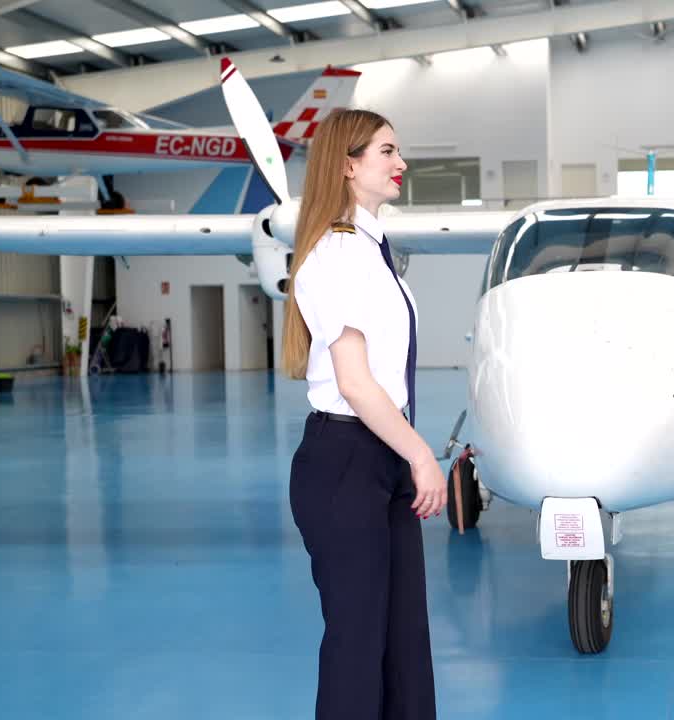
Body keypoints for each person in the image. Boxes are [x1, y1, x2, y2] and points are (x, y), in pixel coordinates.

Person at [282, 108, 446, 720]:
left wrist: (404, 455)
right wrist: (421, 453)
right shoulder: (338, 254)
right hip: (346, 460)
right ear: (348, 166)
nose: (400, 163)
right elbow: (354, 381)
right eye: (387, 151)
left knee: (404, 639)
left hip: (381, 456)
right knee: (357, 644)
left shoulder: (373, 250)